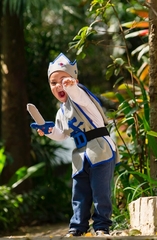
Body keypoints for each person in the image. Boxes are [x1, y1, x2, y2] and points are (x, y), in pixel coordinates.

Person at [34, 53, 119, 237]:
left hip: (100, 150)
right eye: (54, 82)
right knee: (79, 193)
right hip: (80, 154)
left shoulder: (82, 97)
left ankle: (101, 227)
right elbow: (61, 134)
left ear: (75, 80)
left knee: (100, 191)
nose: (59, 85)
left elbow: (78, 95)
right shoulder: (61, 111)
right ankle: (77, 228)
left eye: (64, 79)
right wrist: (48, 130)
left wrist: (73, 87)